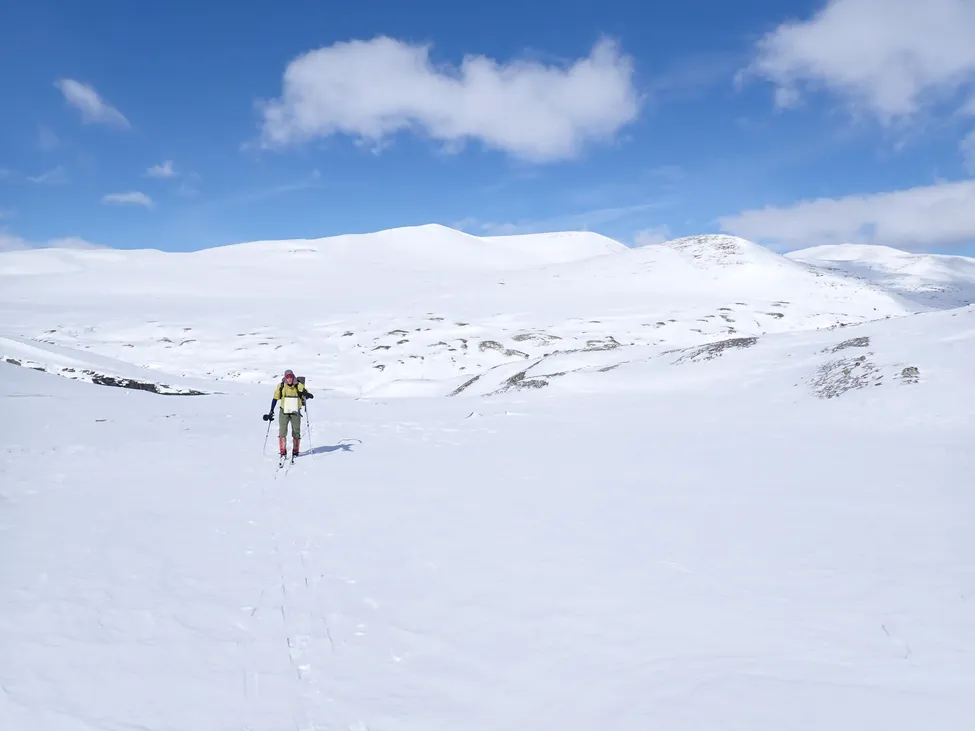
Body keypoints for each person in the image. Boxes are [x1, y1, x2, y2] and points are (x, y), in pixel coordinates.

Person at [263, 369, 313, 457]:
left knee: (296, 431)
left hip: (295, 412)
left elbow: (306, 392)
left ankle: (295, 451)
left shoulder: (298, 385)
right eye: (288, 377)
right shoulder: (281, 386)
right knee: (282, 431)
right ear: (285, 377)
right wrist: (271, 410)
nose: (289, 379)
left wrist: (307, 395)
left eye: (291, 377)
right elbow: (275, 398)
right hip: (284, 411)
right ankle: (282, 451)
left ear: (293, 377)